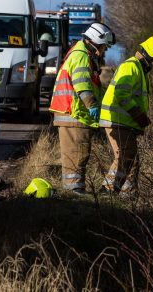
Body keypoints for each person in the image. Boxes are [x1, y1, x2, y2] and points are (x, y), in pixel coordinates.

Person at [99, 36, 153, 197]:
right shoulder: (131, 67)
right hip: (117, 120)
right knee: (126, 155)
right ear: (148, 56)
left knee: (132, 158)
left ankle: (128, 193)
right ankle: (108, 189)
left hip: (124, 121)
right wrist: (138, 115)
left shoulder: (137, 68)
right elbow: (121, 94)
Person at [49, 23, 115, 195]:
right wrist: (92, 105)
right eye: (103, 47)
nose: (103, 51)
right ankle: (74, 193)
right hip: (74, 114)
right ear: (95, 41)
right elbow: (82, 83)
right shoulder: (81, 56)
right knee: (77, 155)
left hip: (74, 114)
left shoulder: (81, 54)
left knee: (76, 156)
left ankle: (73, 191)